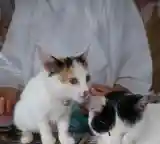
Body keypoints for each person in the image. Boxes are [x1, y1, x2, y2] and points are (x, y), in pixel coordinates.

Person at [0, 0, 152, 116]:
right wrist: (8, 88)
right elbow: (11, 64)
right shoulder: (29, 5)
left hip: (101, 120)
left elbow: (136, 70)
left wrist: (116, 95)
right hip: (39, 119)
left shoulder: (115, 4)